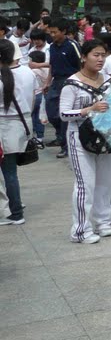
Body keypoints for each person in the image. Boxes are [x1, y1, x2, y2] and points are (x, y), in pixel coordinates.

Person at [60, 40, 111, 243]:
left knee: (105, 182)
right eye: (96, 55)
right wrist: (88, 110)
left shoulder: (109, 81)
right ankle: (80, 230)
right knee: (86, 184)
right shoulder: (72, 83)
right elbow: (64, 114)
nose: (100, 59)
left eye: (103, 55)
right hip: (79, 137)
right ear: (84, 57)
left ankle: (103, 222)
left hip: (106, 137)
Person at [0, 40, 34, 225]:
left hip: (5, 128)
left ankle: (15, 212)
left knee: (8, 173)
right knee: (11, 172)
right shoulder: (27, 72)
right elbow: (32, 100)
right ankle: (16, 205)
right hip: (21, 124)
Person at [44, 17, 82, 158]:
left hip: (70, 81)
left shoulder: (72, 45)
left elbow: (81, 64)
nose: (52, 35)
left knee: (64, 114)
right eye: (50, 32)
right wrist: (48, 82)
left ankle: (65, 146)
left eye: (55, 32)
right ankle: (61, 135)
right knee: (51, 112)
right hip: (56, 81)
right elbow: (52, 65)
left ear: (63, 31)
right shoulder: (52, 47)